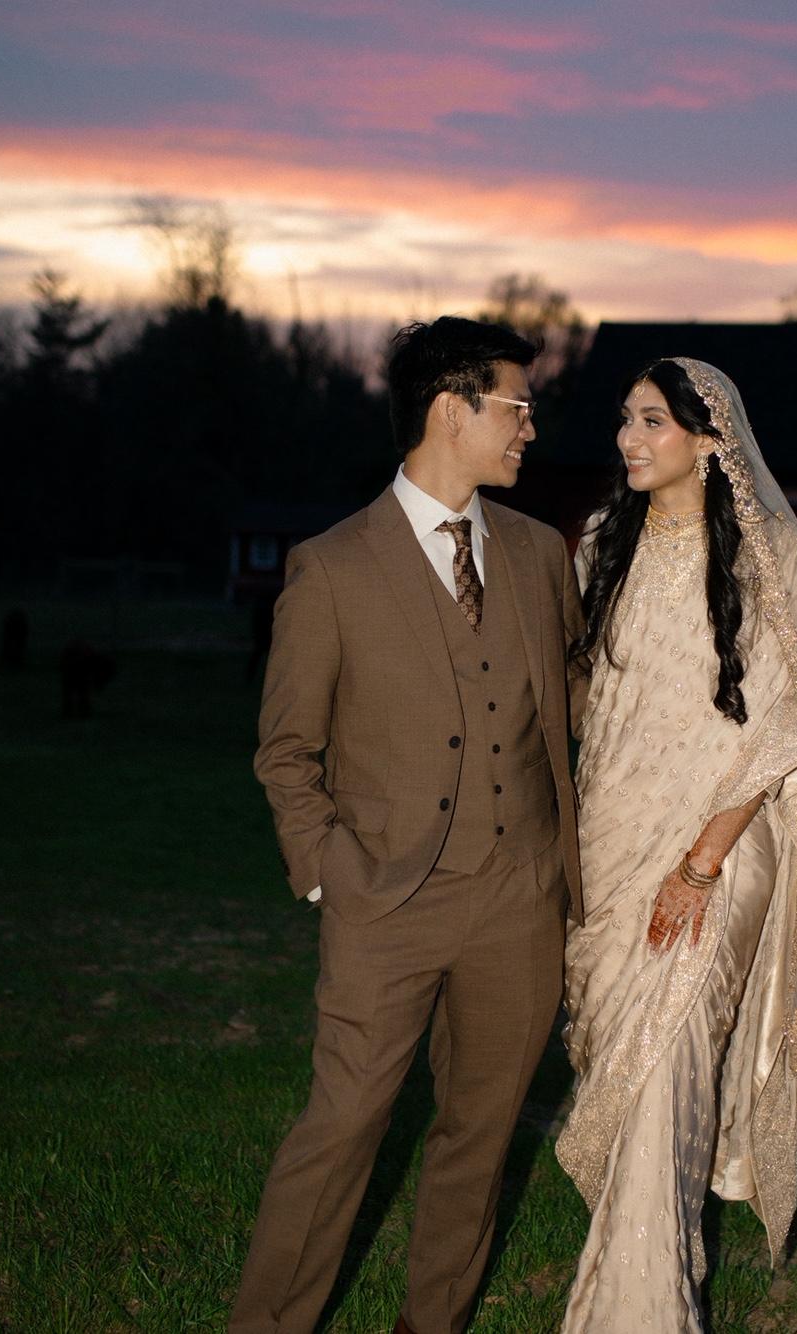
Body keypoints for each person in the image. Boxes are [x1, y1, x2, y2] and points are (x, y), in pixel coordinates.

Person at [231, 316, 586, 1334]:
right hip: (383, 900)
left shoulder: (536, 552)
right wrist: (328, 873)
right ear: (451, 407)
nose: (529, 428)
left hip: (518, 900)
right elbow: (284, 751)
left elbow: (568, 705)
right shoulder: (331, 567)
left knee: (478, 1131)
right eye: (515, 405)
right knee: (341, 1127)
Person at [557, 358, 797, 1332]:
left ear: (707, 436)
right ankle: (653, 1269)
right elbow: (586, 708)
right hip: (609, 847)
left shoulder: (765, 556)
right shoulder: (601, 542)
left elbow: (779, 726)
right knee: (629, 1080)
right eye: (623, 420)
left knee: (663, 1086)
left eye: (650, 421)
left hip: (715, 858)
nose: (627, 438)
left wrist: (696, 866)